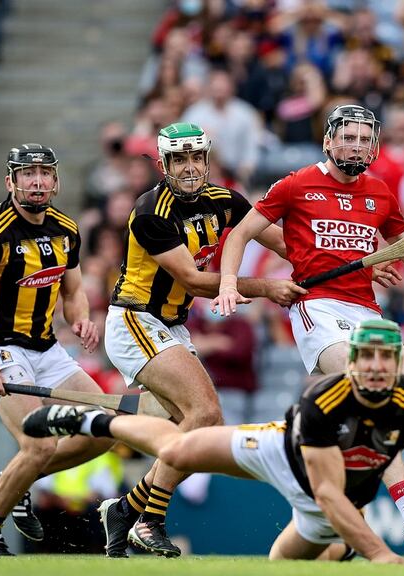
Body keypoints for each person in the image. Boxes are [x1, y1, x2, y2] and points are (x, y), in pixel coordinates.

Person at [212, 104, 404, 546]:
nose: (355, 144)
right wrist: (231, 283)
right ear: (329, 141)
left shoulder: (380, 192)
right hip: (318, 306)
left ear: (374, 146)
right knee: (373, 390)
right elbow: (240, 233)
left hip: (367, 311)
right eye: (347, 137)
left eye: (364, 138)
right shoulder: (295, 185)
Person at [22, 320, 404, 564]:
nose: (378, 366)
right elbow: (324, 489)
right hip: (281, 456)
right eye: (368, 356)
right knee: (179, 449)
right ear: (353, 360)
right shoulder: (325, 399)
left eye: (387, 357)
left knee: (284, 565)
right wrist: (380, 555)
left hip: (328, 503)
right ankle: (98, 423)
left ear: (399, 360)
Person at [95, 122, 307, 558]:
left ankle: (125, 511)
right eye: (179, 159)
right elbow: (193, 280)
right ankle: (150, 521)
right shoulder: (151, 210)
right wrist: (267, 287)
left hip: (171, 326)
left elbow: (283, 243)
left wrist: (338, 259)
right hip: (136, 320)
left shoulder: (225, 200)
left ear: (207, 159)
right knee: (205, 412)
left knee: (200, 431)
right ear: (163, 165)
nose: (189, 167)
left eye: (195, 157)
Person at [0, 143, 115, 556]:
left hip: (48, 349)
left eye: (44, 173)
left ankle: (13, 478)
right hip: (2, 350)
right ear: (10, 181)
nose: (37, 181)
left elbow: (72, 290)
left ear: (56, 181)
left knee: (107, 427)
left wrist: (80, 318)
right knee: (38, 444)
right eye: (27, 174)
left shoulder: (66, 229)